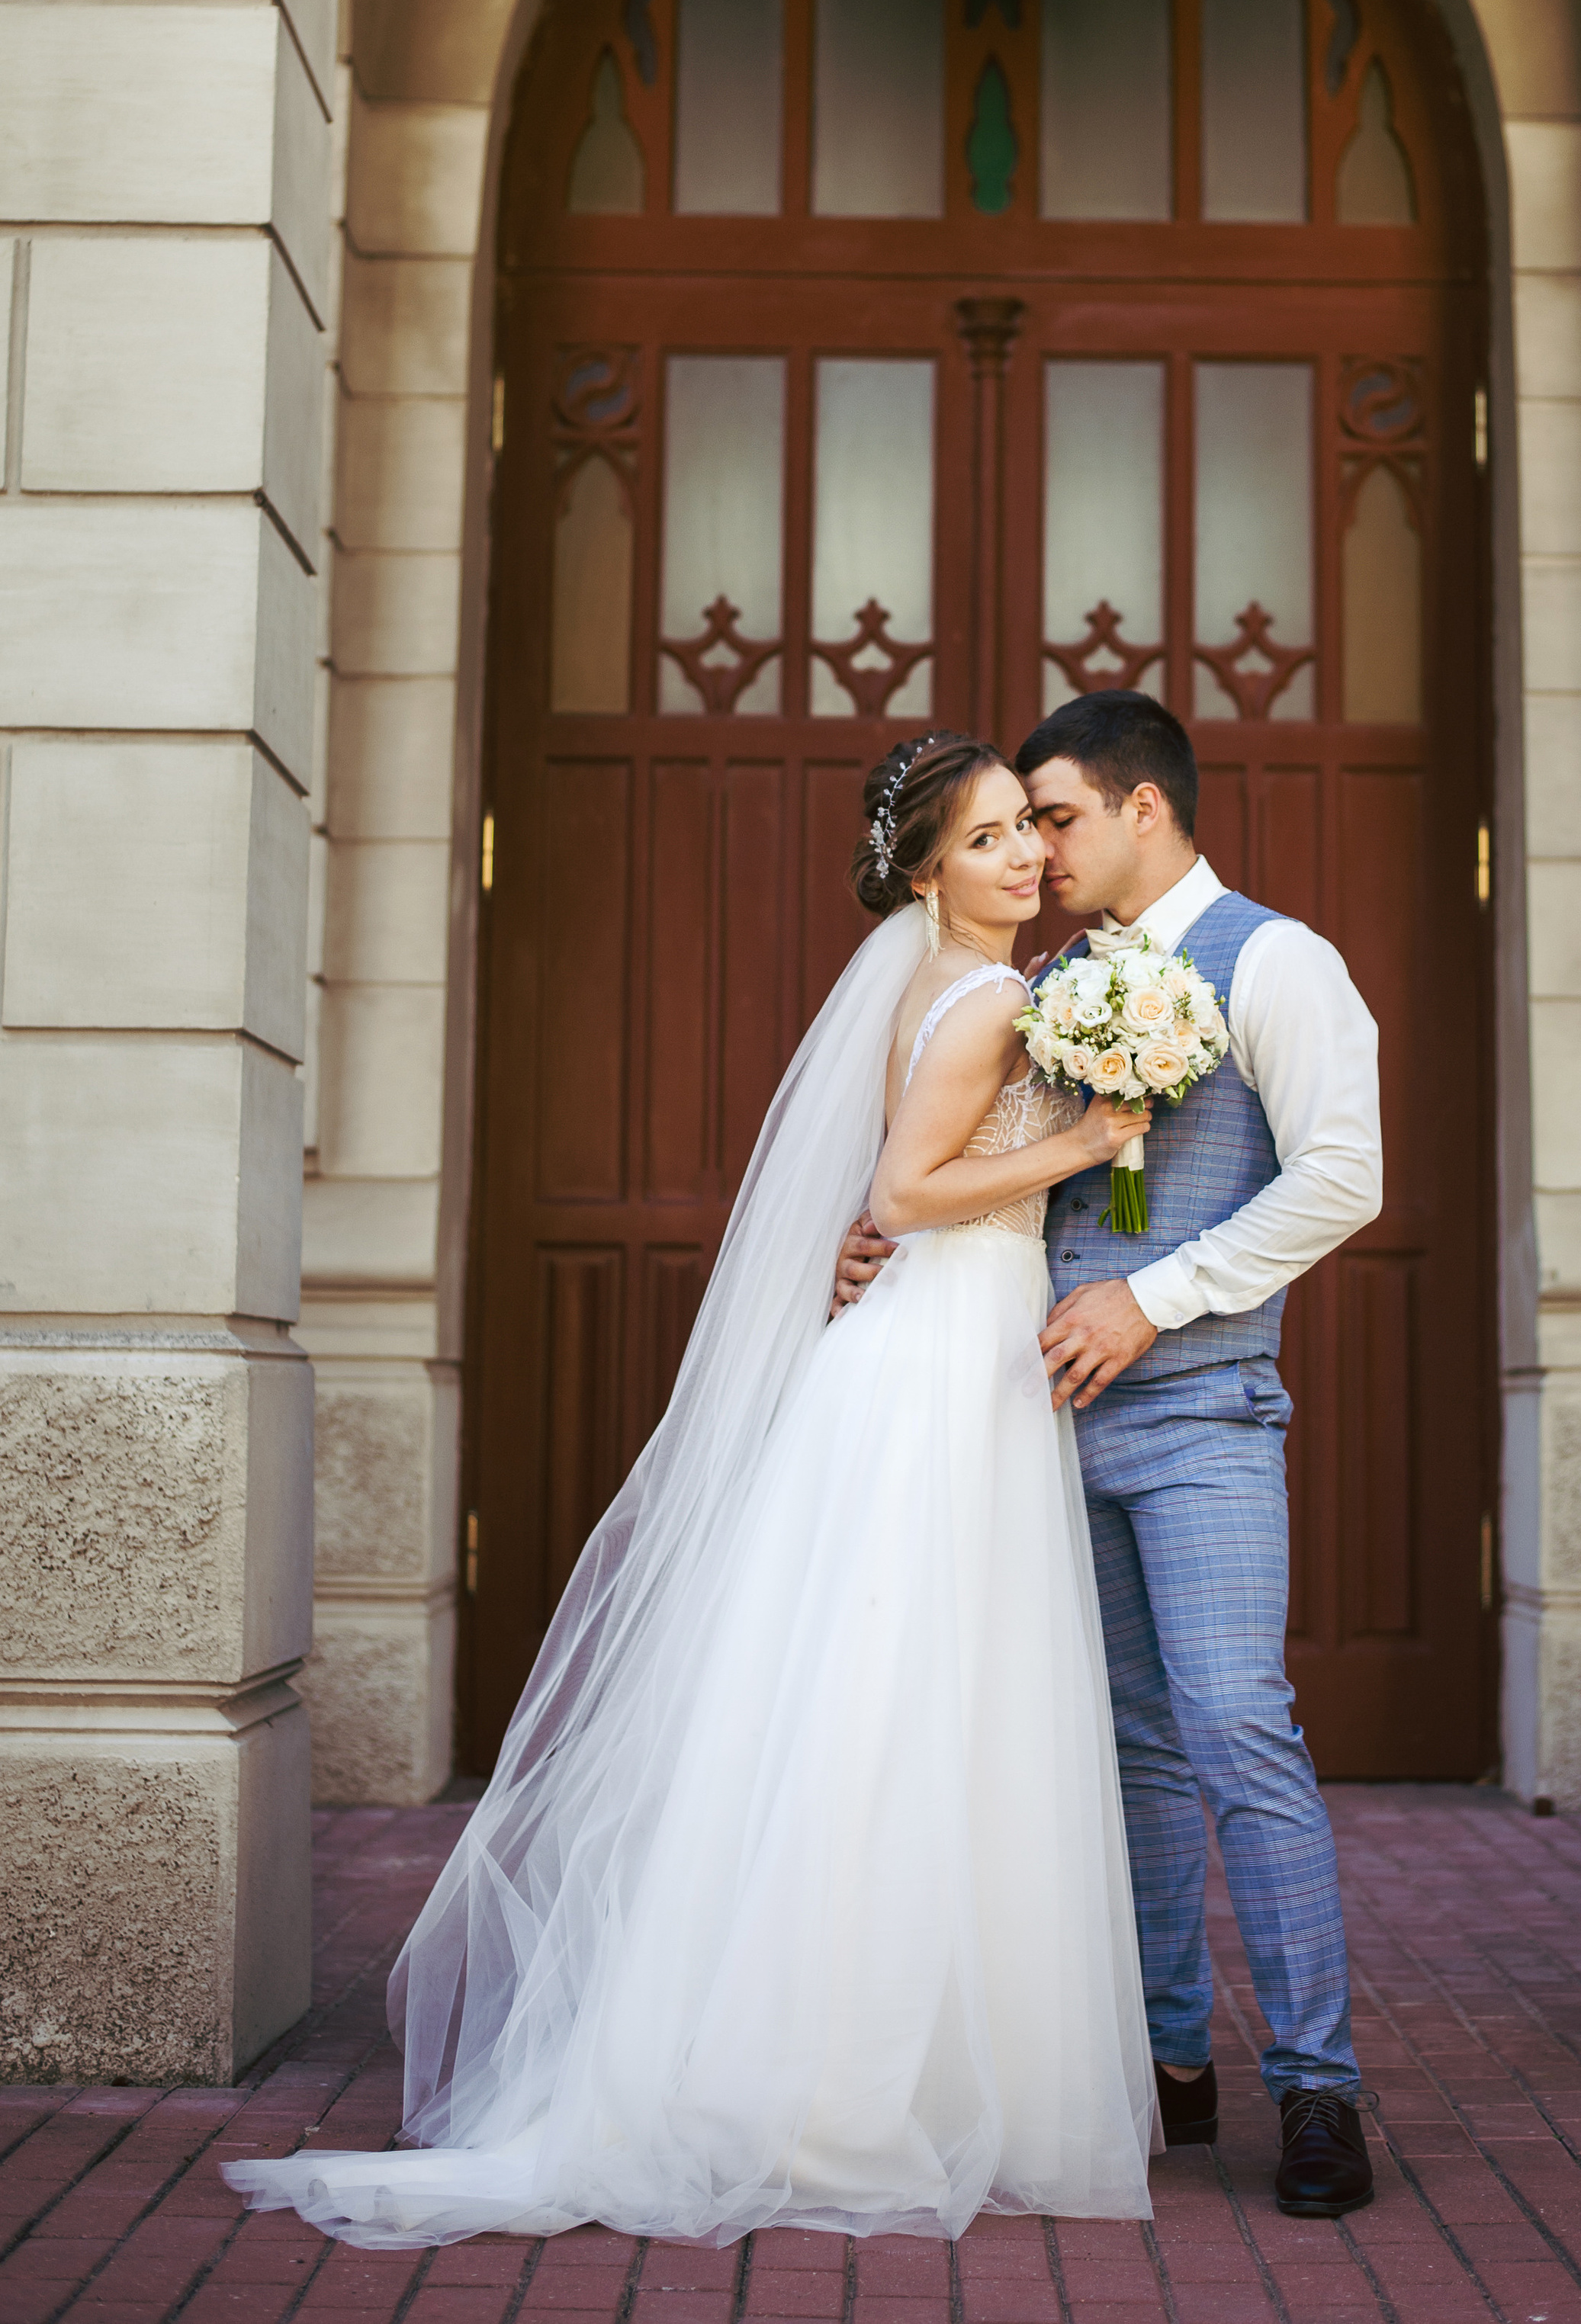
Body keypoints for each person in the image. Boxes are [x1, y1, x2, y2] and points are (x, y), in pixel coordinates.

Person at [226, 736, 1158, 2250]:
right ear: (924, 869)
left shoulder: (940, 979)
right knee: (907, 1694)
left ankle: (820, 2057)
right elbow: (904, 1193)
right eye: (985, 840)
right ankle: (840, 2086)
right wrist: (1085, 1140)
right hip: (941, 1355)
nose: (1019, 859)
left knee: (875, 1693)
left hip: (932, 1343)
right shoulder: (987, 995)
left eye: (1021, 836)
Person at [836, 692, 1383, 2218]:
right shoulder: (1047, 975)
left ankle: (1318, 2089)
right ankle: (1163, 2067)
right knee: (1115, 1752)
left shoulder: (1276, 960)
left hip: (1198, 1415)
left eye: (1057, 816)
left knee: (1232, 1730)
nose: (1039, 846)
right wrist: (874, 1242)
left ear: (1147, 807)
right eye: (1018, 826)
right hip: (1031, 1426)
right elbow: (954, 1162)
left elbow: (1343, 1173)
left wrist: (1153, 1294)